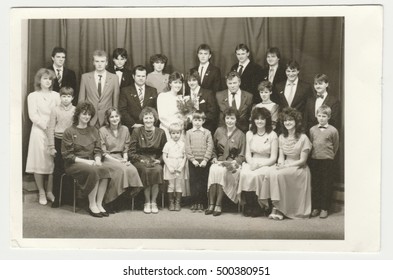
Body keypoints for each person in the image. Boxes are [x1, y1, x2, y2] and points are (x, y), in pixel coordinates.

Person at [61, 101, 111, 218]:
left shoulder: (94, 130)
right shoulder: (69, 131)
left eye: (89, 114)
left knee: (105, 170)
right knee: (93, 171)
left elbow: (98, 150)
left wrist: (98, 159)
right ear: (78, 114)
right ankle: (92, 204)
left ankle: (99, 204)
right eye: (84, 114)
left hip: (92, 161)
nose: (87, 117)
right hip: (74, 164)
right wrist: (88, 162)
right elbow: (67, 156)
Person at [262, 107, 312, 220]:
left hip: (299, 168)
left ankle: (279, 209)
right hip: (286, 163)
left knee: (279, 174)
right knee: (270, 172)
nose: (287, 122)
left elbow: (303, 161)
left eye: (290, 120)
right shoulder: (281, 136)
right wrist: (280, 164)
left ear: (296, 122)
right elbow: (280, 157)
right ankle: (275, 206)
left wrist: (287, 166)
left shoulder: (303, 138)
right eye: (285, 120)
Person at [26, 68, 61, 205]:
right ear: (39, 80)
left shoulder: (57, 95)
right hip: (39, 132)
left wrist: (52, 128)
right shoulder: (33, 96)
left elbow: (59, 113)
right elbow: (33, 116)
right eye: (45, 78)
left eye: (50, 79)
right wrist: (46, 127)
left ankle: (49, 191)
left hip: (53, 132)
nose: (47, 81)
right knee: (39, 161)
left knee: (53, 162)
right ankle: (41, 191)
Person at [99, 107, 143, 213]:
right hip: (108, 158)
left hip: (121, 157)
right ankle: (110, 201)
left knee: (132, 169)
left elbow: (126, 147)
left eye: (116, 116)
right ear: (108, 119)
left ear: (120, 117)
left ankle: (123, 199)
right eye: (112, 117)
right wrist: (119, 162)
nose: (114, 119)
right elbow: (103, 151)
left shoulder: (125, 129)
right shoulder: (102, 130)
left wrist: (125, 159)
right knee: (120, 170)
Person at [238, 107, 278, 217]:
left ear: (267, 120)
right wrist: (251, 164)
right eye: (257, 119)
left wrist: (260, 165)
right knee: (245, 173)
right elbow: (247, 154)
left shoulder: (272, 134)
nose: (259, 121)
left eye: (262, 119)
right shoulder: (249, 134)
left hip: (267, 162)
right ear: (253, 120)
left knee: (258, 175)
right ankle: (249, 204)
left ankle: (259, 205)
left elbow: (273, 158)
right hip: (252, 161)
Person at [206, 107, 246, 216]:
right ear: (224, 119)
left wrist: (234, 162)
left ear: (236, 120)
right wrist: (213, 158)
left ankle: (218, 204)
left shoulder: (241, 135)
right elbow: (212, 148)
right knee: (214, 169)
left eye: (232, 118)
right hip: (219, 161)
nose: (229, 121)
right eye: (227, 118)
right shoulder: (219, 131)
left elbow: (242, 154)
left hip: (232, 163)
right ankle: (211, 204)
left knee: (222, 171)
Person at [128, 107, 167, 214]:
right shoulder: (136, 131)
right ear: (142, 119)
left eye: (151, 118)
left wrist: (159, 160)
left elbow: (165, 151)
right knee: (146, 170)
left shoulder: (161, 132)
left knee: (158, 170)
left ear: (154, 119)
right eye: (146, 118)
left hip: (155, 160)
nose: (148, 120)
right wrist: (140, 159)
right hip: (140, 160)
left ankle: (153, 202)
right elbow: (131, 152)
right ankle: (147, 201)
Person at [46, 86, 75, 208]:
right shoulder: (55, 110)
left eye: (68, 96)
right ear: (60, 97)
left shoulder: (75, 110)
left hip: (71, 142)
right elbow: (51, 128)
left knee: (71, 169)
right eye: (63, 96)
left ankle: (69, 198)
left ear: (72, 98)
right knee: (58, 170)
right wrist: (52, 146)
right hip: (58, 141)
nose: (66, 99)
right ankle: (57, 198)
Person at [309, 105, 339, 219]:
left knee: (326, 184)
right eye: (319, 116)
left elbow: (335, 146)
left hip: (327, 161)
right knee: (316, 184)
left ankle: (324, 208)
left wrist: (329, 156)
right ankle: (316, 207)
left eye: (324, 116)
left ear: (329, 117)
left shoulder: (333, 130)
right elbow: (312, 143)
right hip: (315, 160)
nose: (321, 118)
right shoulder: (312, 129)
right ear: (316, 116)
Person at [78, 50, 120, 128]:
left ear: (106, 62)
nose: (100, 64)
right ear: (93, 62)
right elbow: (81, 100)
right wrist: (83, 118)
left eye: (102, 61)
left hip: (107, 119)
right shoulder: (85, 77)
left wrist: (113, 118)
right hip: (89, 118)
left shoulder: (114, 78)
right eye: (97, 61)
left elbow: (115, 102)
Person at [185, 111, 214, 212]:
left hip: (204, 162)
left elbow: (210, 147)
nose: (197, 122)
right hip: (193, 162)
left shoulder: (207, 133)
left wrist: (206, 160)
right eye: (195, 120)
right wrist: (192, 160)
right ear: (192, 121)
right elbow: (187, 147)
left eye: (199, 120)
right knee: (193, 182)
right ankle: (194, 202)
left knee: (203, 182)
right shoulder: (188, 133)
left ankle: (201, 202)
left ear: (203, 121)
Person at [119, 65, 158, 133]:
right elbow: (122, 110)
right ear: (133, 76)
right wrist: (133, 124)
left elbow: (155, 110)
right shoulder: (125, 91)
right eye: (138, 76)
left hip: (149, 127)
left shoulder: (153, 91)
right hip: (131, 128)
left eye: (143, 76)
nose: (141, 78)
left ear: (146, 77)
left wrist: (149, 124)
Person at [162, 123, 188, 211]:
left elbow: (185, 156)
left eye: (177, 133)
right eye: (173, 133)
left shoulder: (183, 144)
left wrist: (181, 167)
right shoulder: (168, 144)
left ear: (181, 133)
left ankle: (177, 203)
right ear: (170, 134)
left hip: (179, 164)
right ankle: (171, 203)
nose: (175, 135)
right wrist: (169, 167)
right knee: (171, 185)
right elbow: (164, 156)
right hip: (171, 164)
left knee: (179, 185)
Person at [157, 71, 185, 139]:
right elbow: (162, 116)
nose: (178, 85)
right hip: (167, 131)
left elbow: (184, 117)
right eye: (175, 82)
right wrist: (174, 128)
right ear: (170, 83)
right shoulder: (163, 96)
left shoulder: (181, 98)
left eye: (180, 83)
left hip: (180, 131)